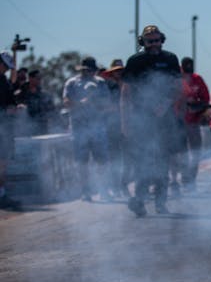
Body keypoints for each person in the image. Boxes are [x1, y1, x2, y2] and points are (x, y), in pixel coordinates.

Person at [121, 25, 181, 217]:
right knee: (143, 161)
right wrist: (125, 122)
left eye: (156, 40)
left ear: (162, 40)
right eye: (149, 41)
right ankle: (139, 200)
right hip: (142, 119)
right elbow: (125, 94)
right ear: (143, 42)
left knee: (163, 160)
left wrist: (166, 103)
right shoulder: (134, 61)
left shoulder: (170, 59)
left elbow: (178, 87)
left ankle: (161, 203)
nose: (154, 45)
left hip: (164, 117)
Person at [62, 57, 110, 202]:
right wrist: (81, 103)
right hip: (79, 128)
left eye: (91, 70)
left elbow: (107, 103)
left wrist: (97, 102)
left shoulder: (100, 83)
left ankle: (103, 189)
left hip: (97, 127)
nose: (88, 72)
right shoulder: (72, 83)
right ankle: (86, 191)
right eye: (86, 69)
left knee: (101, 161)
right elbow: (66, 102)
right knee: (81, 161)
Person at [178, 57, 209, 190]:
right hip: (178, 123)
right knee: (181, 153)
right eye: (186, 65)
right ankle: (184, 179)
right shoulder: (176, 79)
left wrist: (197, 107)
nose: (189, 67)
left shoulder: (197, 79)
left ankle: (191, 179)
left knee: (196, 151)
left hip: (193, 122)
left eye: (191, 65)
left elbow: (205, 99)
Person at [102, 59, 129, 197]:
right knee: (114, 158)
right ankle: (114, 186)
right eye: (116, 70)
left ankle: (124, 185)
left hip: (128, 125)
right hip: (112, 126)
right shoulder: (106, 86)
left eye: (120, 70)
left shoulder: (128, 84)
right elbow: (104, 106)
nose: (118, 73)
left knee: (128, 158)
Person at [0, 51, 21, 210]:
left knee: (3, 163)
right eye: (5, 66)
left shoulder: (4, 80)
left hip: (5, 128)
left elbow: (10, 101)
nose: (6, 69)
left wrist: (14, 108)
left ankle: (2, 194)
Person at [14, 69, 55, 136]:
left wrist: (63, 125)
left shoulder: (44, 95)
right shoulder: (19, 94)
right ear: (30, 78)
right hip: (26, 132)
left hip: (42, 130)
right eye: (37, 78)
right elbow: (13, 110)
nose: (40, 80)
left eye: (40, 78)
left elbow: (53, 111)